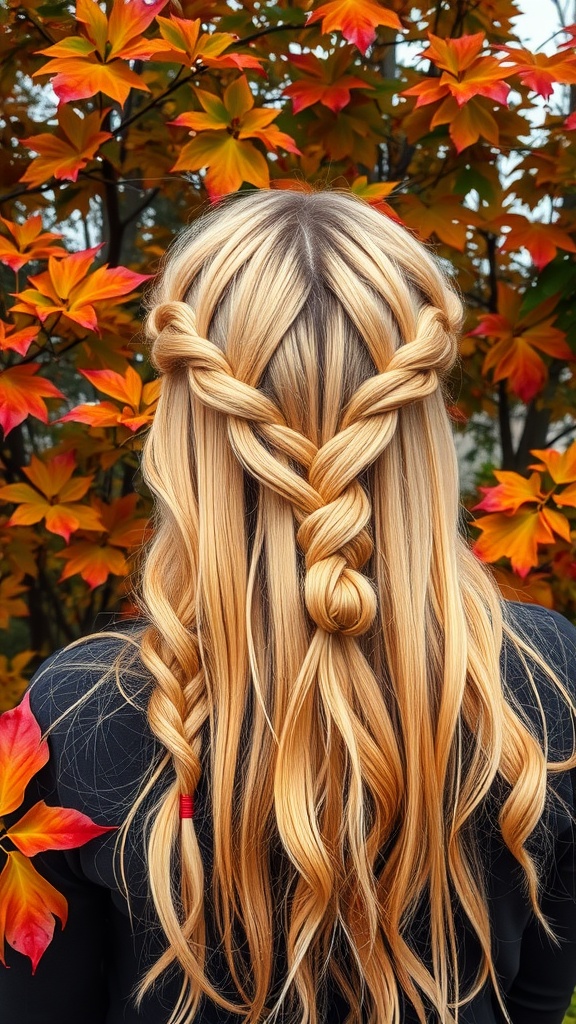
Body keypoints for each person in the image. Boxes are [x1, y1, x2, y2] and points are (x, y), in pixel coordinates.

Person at [1, 188, 575, 1024]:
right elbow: (536, 998)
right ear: (421, 427)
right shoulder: (548, 676)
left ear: (181, 429)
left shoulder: (72, 712)